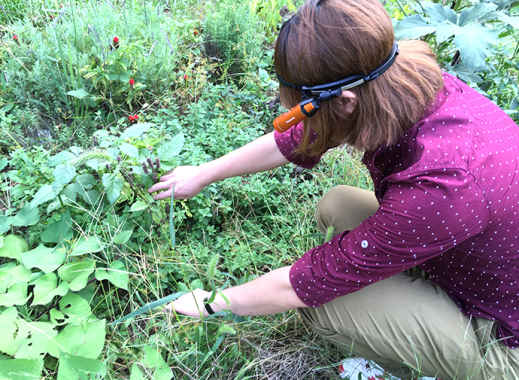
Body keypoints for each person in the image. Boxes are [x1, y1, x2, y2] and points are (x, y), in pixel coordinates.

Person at [148, 0, 519, 378]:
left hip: (503, 336)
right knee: (337, 204)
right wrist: (204, 173)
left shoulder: (442, 185)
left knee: (324, 305)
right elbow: (300, 135)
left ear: (344, 102)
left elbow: (307, 283)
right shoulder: (403, 80)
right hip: (476, 265)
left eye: (302, 106)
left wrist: (214, 302)